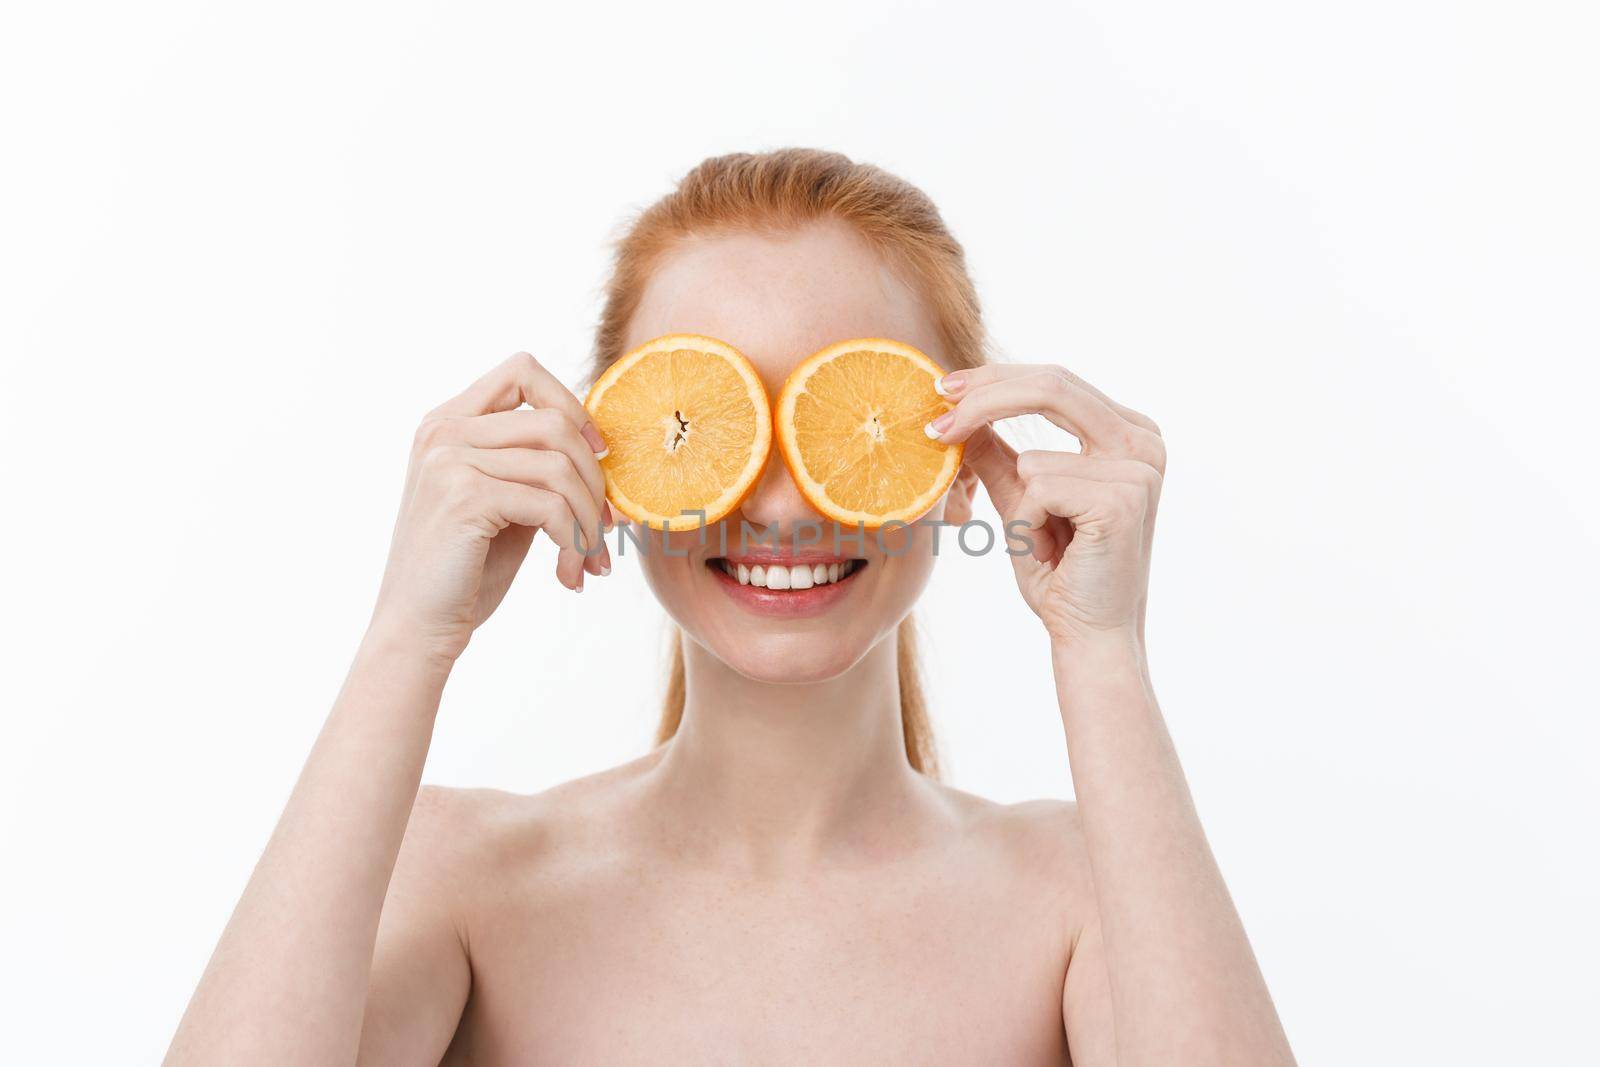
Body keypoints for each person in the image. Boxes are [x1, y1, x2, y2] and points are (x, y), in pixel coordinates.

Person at [165, 148, 1295, 1065]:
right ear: (608, 453)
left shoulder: (1083, 897)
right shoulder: (458, 870)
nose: (780, 501)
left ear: (959, 459)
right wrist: (406, 638)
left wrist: (1099, 651)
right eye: (705, 417)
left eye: (845, 418)